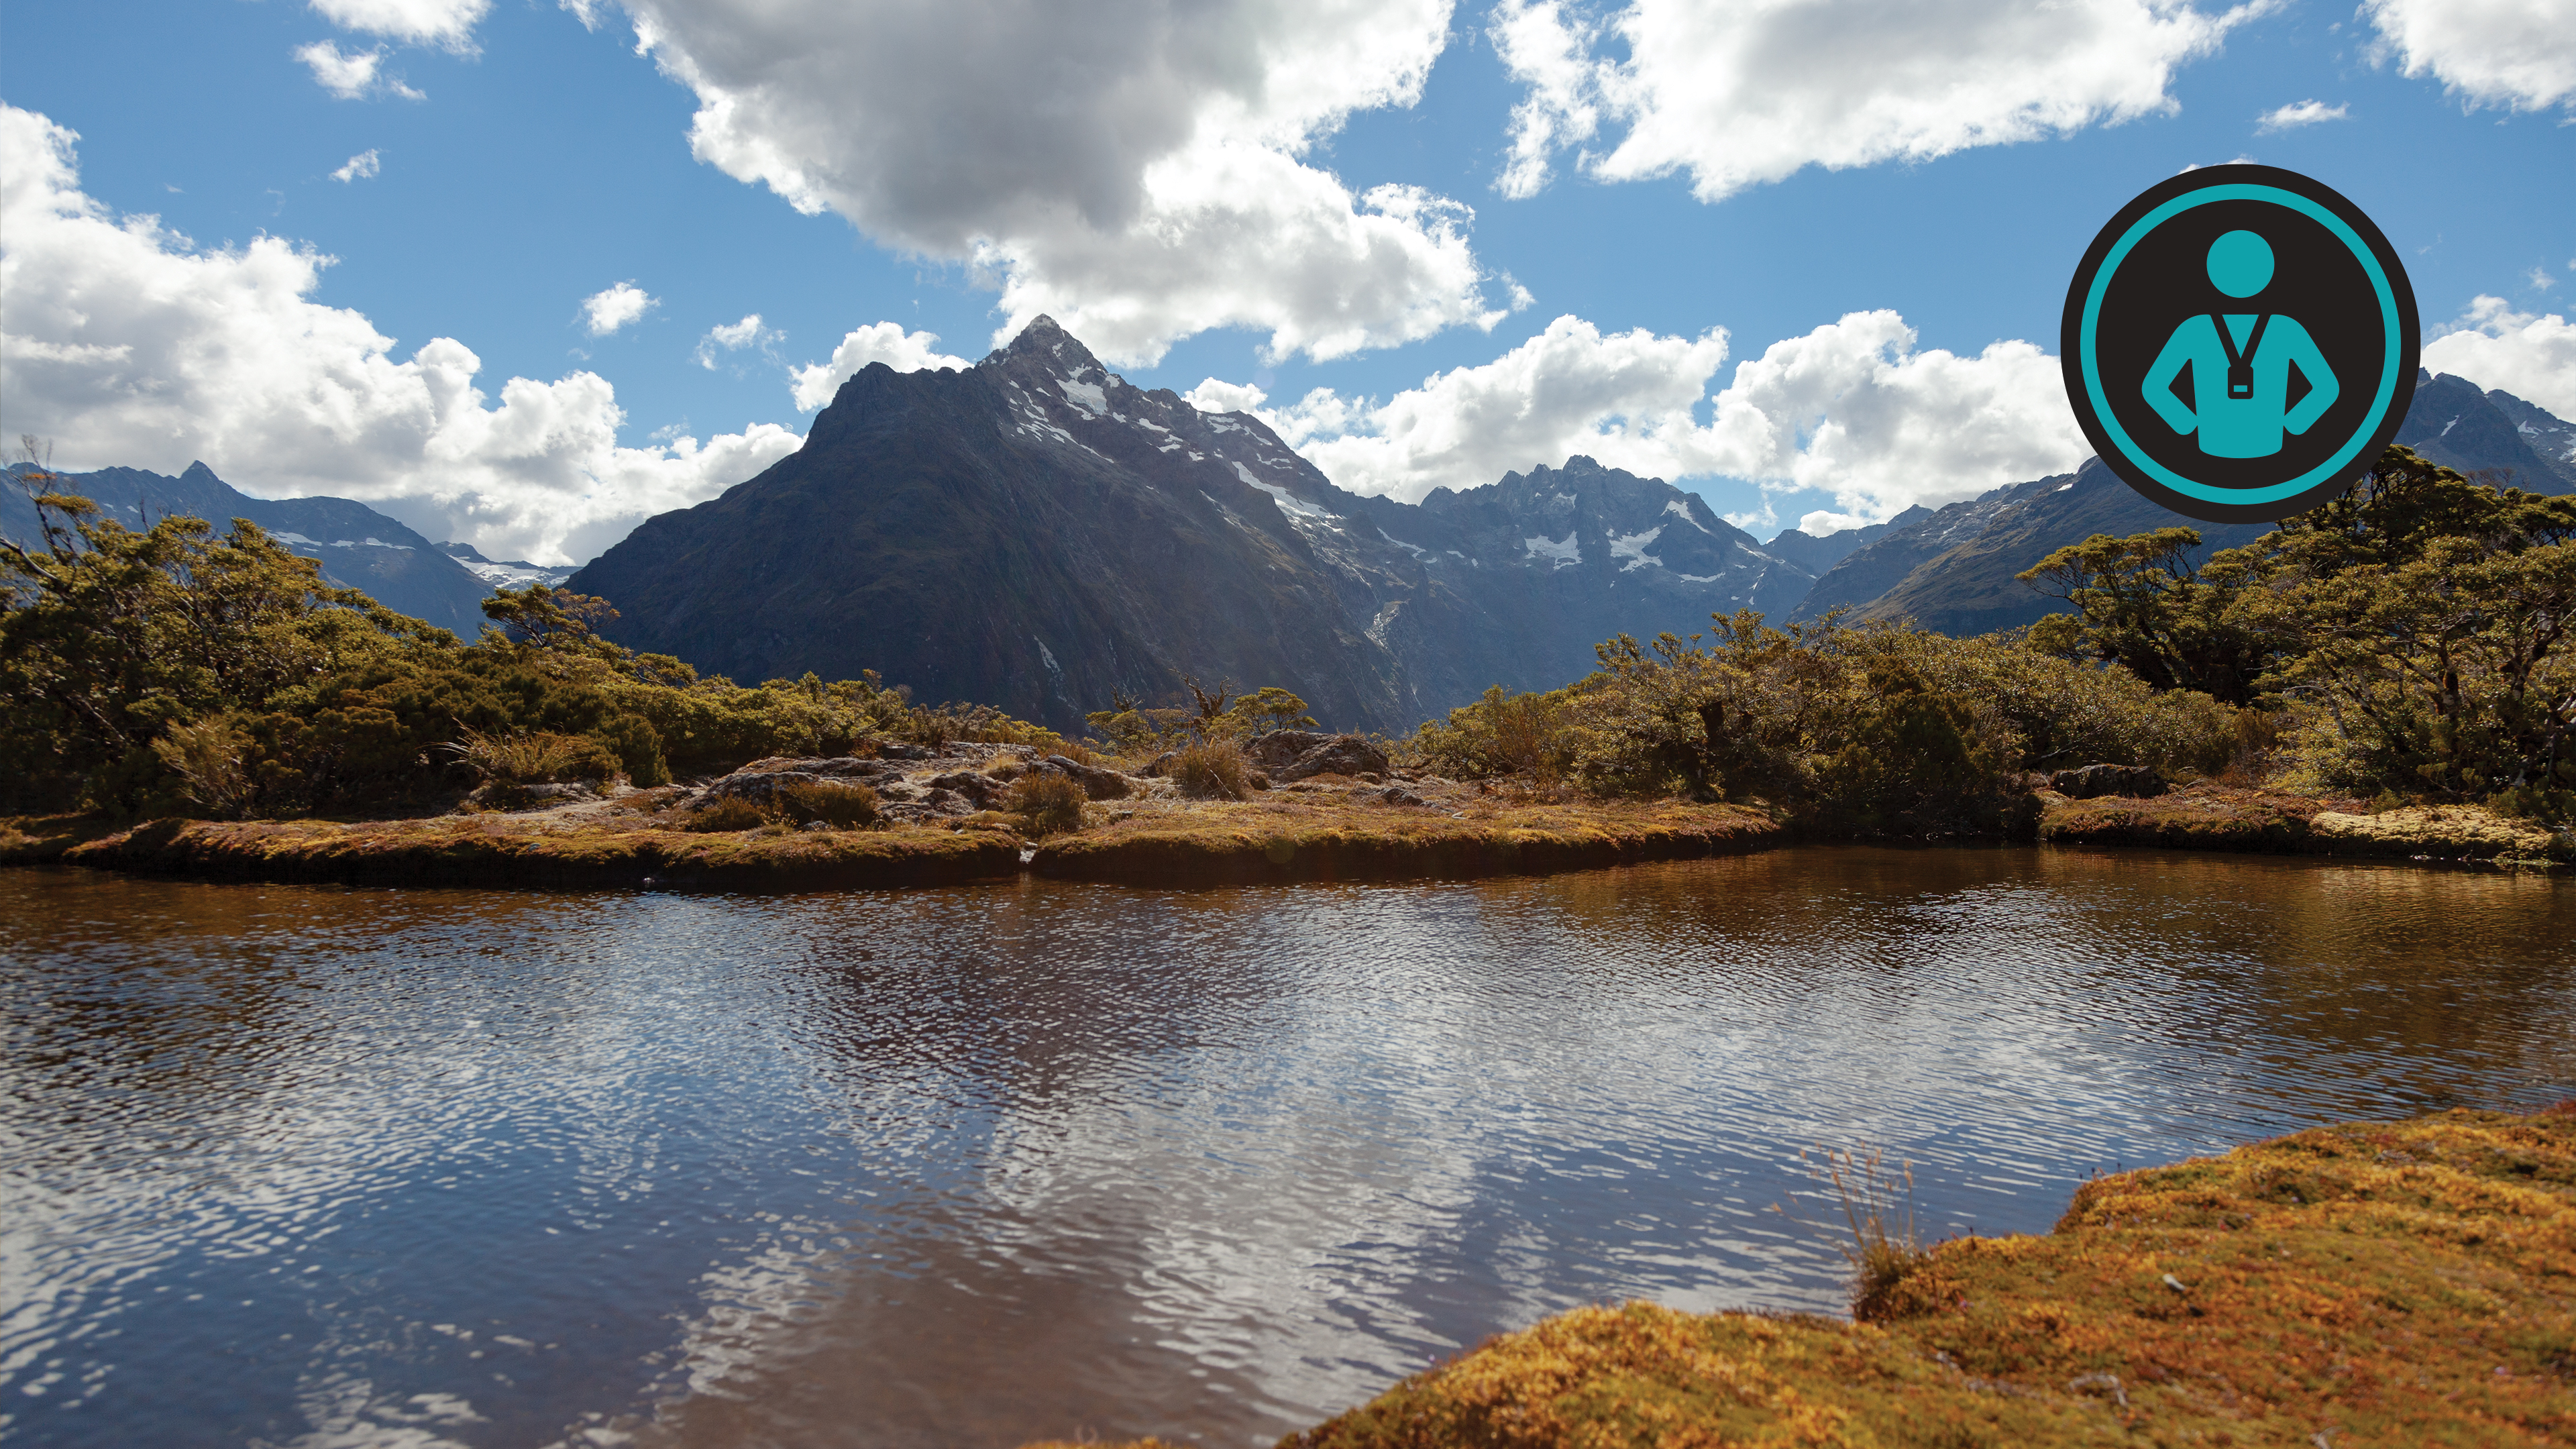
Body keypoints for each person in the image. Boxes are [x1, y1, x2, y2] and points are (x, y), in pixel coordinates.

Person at [2141, 229, 2337, 460]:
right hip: (2268, 441)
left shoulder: (2194, 329)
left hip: (2213, 441)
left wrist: (2188, 425)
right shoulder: (2286, 328)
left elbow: (2154, 387)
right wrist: (2292, 425)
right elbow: (2327, 388)